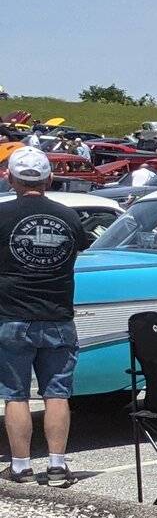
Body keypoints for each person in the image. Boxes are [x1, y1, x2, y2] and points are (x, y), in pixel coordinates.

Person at [0, 148, 93, 485]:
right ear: (49, 178)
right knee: (56, 393)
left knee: (15, 394)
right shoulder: (68, 216)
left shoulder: (1, 215)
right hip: (58, 314)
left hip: (10, 315)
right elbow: (80, 249)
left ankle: (22, 467)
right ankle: (56, 465)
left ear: (9, 178)